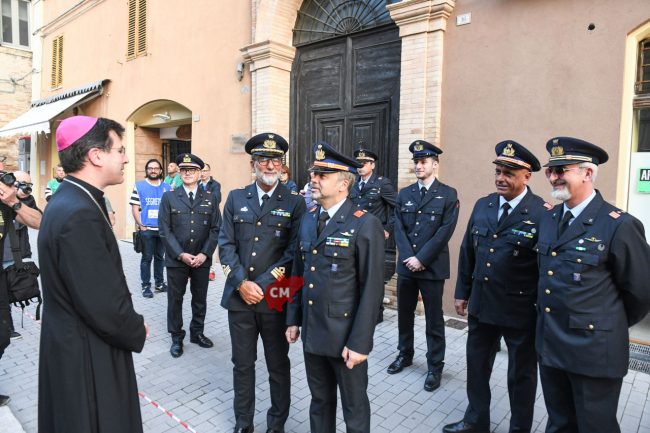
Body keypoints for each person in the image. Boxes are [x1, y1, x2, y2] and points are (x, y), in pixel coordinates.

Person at [38, 116, 147, 433]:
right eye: (120, 150)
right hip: (87, 353)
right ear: (96, 156)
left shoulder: (72, 199)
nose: (126, 158)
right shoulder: (79, 213)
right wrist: (135, 327)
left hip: (74, 342)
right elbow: (101, 303)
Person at [535, 137, 650, 433]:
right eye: (550, 170)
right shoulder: (548, 218)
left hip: (593, 351)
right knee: (559, 423)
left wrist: (603, 324)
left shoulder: (619, 224)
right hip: (552, 343)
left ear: (588, 173)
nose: (553, 176)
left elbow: (639, 293)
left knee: (594, 426)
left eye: (562, 169)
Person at [443, 141, 547, 433]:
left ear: (527, 176)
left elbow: (546, 269)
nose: (501, 178)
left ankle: (519, 428)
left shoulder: (542, 213)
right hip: (483, 303)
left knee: (521, 376)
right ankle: (476, 421)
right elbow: (468, 251)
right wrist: (462, 292)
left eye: (509, 173)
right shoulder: (484, 204)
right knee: (476, 368)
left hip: (520, 309)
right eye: (498, 171)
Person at [286, 141, 385, 433]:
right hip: (313, 332)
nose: (313, 180)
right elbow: (298, 273)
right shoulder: (308, 219)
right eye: (313, 173)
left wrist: (360, 343)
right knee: (320, 402)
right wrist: (293, 319)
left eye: (322, 175)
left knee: (354, 409)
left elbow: (372, 290)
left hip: (345, 338)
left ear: (343, 183)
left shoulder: (365, 224)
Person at [219, 133, 306, 433]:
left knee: (278, 366)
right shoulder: (235, 198)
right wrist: (242, 282)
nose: (270, 165)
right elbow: (225, 245)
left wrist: (264, 284)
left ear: (282, 167)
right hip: (239, 296)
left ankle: (276, 424)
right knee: (242, 365)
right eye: (263, 160)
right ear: (252, 164)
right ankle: (244, 423)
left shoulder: (295, 203)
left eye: (275, 160)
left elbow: (295, 252)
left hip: (277, 296)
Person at [388, 140, 459, 392]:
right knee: (404, 315)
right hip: (408, 265)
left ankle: (435, 366)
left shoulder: (448, 194)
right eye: (416, 162)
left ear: (435, 164)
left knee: (433, 319)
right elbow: (399, 226)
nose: (419, 166)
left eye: (423, 162)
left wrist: (421, 259)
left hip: (431, 267)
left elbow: (444, 231)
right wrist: (409, 257)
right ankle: (405, 355)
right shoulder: (405, 194)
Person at [159, 153, 221, 358]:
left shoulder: (210, 197)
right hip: (177, 259)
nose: (187, 173)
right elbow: (164, 230)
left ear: (199, 173)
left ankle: (197, 333)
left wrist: (205, 254)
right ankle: (177, 337)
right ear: (179, 172)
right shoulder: (169, 197)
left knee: (200, 299)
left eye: (192, 170)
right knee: (175, 300)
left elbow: (215, 229)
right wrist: (180, 254)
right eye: (184, 169)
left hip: (201, 259)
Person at [0, 169, 42, 405]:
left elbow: (40, 222)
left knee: (3, 335)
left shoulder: (12, 201)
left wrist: (15, 200)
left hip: (5, 271)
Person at [2, 171, 43, 340]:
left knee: (9, 295)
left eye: (29, 185)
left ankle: (7, 328)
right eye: (20, 183)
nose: (26, 188)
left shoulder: (25, 201)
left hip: (13, 255)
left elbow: (39, 221)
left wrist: (15, 202)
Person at [130, 158, 172, 298]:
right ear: (147, 171)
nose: (153, 170)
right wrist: (141, 225)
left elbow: (172, 209)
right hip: (147, 229)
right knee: (147, 258)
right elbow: (135, 208)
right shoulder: (139, 186)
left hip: (163, 230)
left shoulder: (167, 187)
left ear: (160, 170)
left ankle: (159, 284)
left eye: (156, 168)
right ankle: (146, 286)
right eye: (150, 168)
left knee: (160, 257)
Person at [349, 148, 396, 240]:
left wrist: (388, 229)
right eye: (358, 163)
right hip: (353, 231)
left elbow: (398, 206)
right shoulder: (353, 183)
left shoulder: (382, 183)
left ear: (372, 165)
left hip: (373, 232)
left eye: (364, 163)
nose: (361, 166)